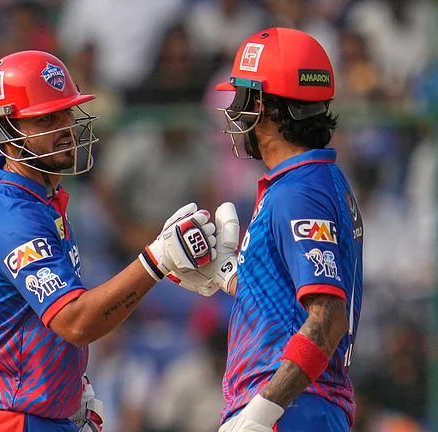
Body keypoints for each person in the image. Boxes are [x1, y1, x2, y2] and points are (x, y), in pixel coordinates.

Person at [0, 50, 232, 432]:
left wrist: (71, 386)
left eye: (66, 112)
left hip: (30, 410)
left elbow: (39, 324)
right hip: (5, 416)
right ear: (6, 131)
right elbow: (75, 321)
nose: (64, 126)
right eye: (45, 118)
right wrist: (158, 260)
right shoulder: (13, 216)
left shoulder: (40, 197)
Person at [175, 28, 365, 431]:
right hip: (299, 406)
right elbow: (288, 301)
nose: (234, 111)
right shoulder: (307, 183)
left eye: (241, 95)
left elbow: (329, 317)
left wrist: (260, 413)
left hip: (292, 408)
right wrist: (227, 276)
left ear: (261, 104)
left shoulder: (299, 192)